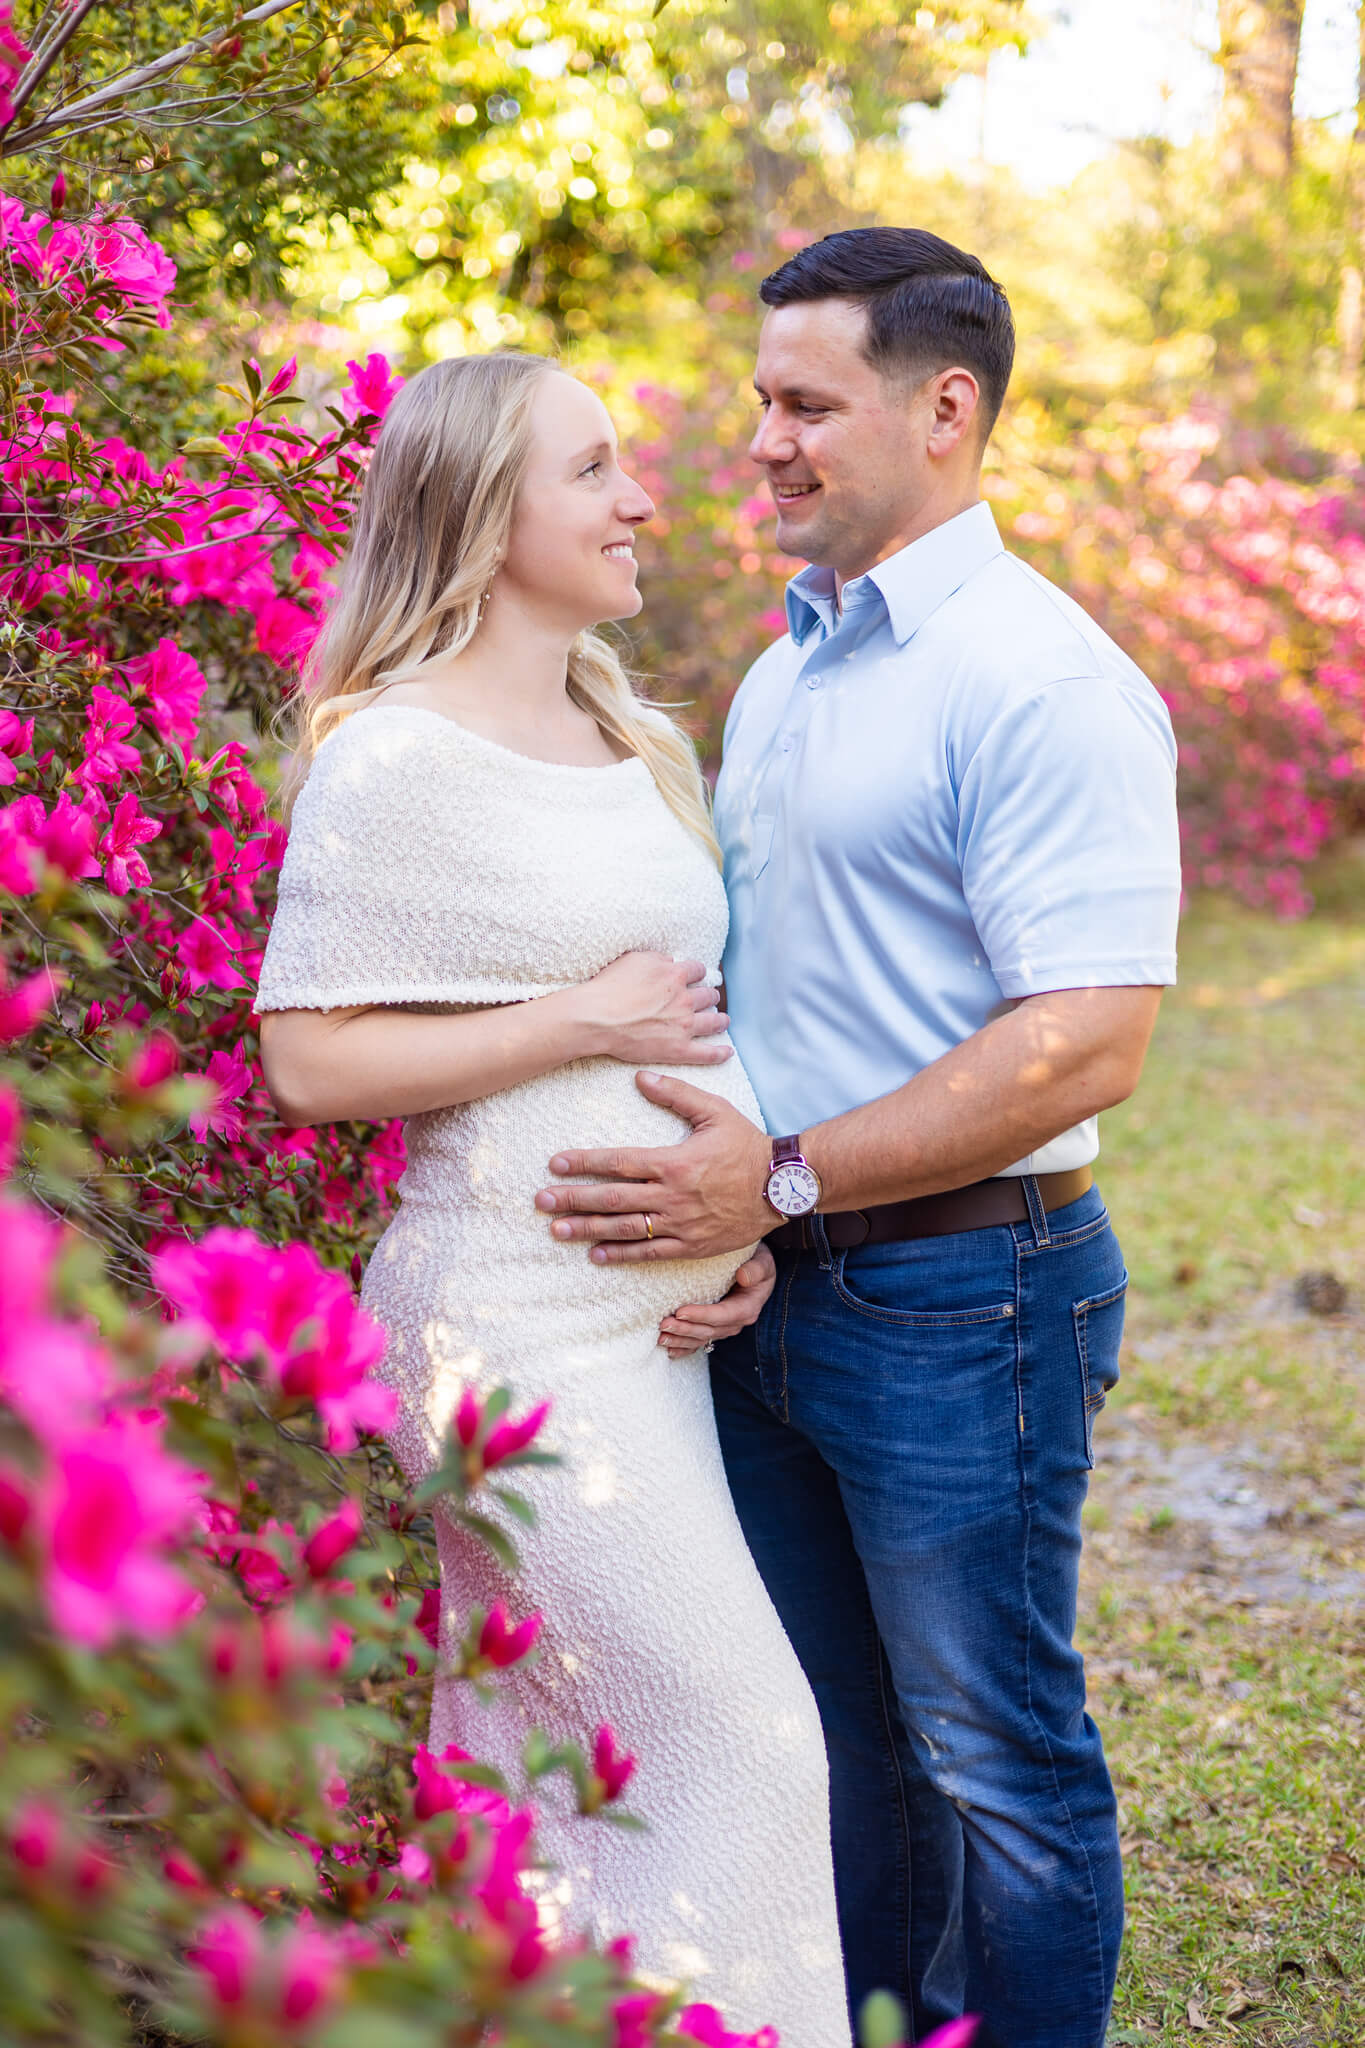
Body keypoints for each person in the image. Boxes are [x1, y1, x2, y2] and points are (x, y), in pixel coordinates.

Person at [533, 228, 1183, 2048]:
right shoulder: (792, 671)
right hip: (776, 1294)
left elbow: (1086, 1041)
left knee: (993, 1758)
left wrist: (790, 1172)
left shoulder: (1038, 680)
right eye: (761, 400)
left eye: (806, 402)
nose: (761, 440)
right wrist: (753, 1205)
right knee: (836, 1744)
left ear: (946, 409)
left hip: (973, 1291)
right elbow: (781, 993)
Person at [253, 351, 848, 2043]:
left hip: (648, 1325)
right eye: (591, 471)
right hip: (505, 1330)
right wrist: (576, 1023)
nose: (641, 497)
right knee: (741, 1733)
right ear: (479, 512)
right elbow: (307, 1060)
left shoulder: (626, 728)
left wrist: (735, 1226)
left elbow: (697, 1023)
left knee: (548, 1765)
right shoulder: (396, 757)